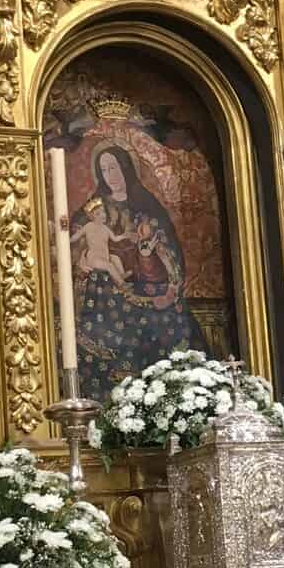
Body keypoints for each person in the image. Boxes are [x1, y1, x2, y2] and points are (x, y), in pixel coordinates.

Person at [67, 143, 208, 398]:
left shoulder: (147, 208)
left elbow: (166, 250)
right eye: (104, 169)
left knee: (175, 322)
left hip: (145, 284)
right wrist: (82, 260)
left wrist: (146, 257)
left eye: (114, 167)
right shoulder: (95, 210)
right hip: (105, 291)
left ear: (126, 168)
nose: (110, 174)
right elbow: (74, 246)